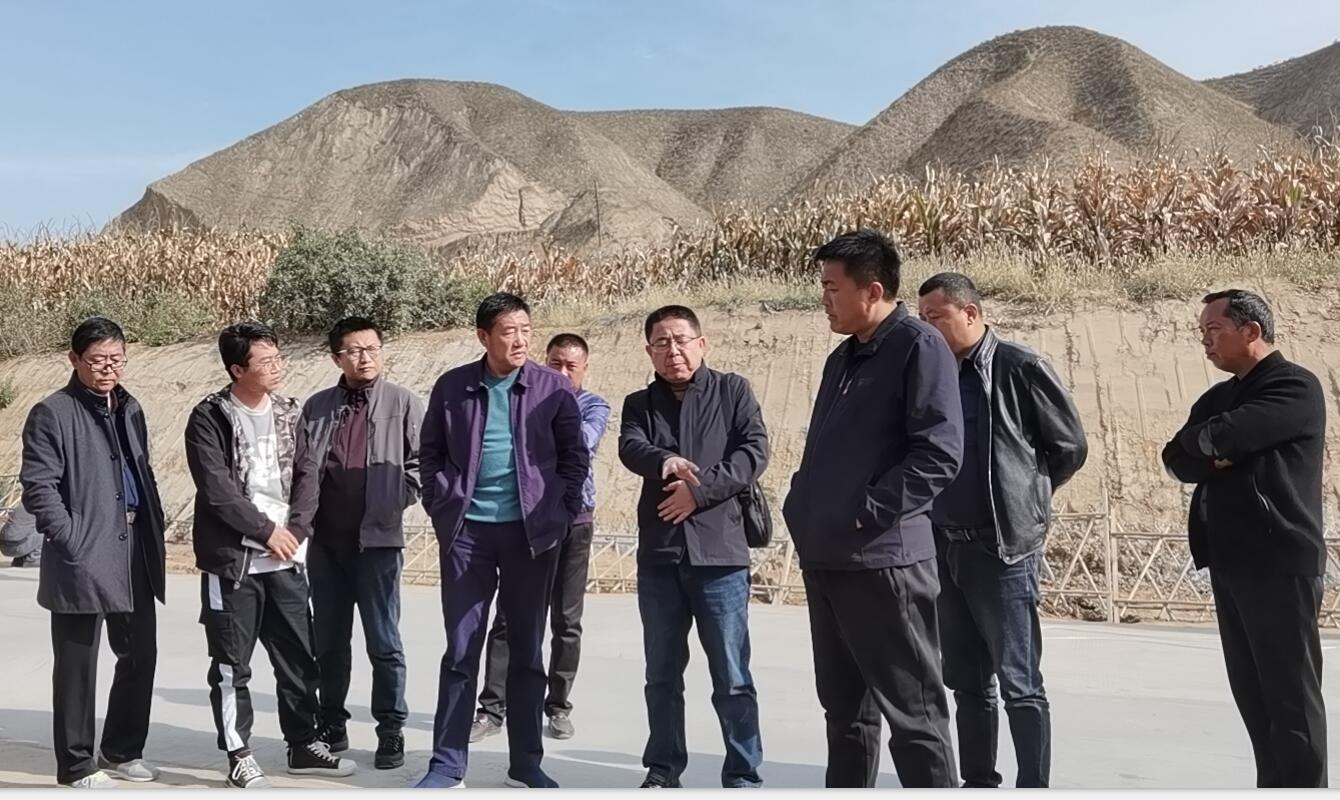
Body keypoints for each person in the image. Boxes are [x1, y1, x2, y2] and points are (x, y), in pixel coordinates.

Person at [782, 229, 962, 788]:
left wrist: (868, 510)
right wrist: (802, 504)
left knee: (915, 715)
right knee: (845, 713)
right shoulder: (843, 358)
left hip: (884, 562)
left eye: (832, 287)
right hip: (830, 559)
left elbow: (939, 452)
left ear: (873, 290)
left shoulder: (917, 346)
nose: (824, 298)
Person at [917, 272, 1088, 788]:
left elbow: (1069, 448)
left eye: (935, 317)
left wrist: (1026, 497)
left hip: (1002, 549)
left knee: (1020, 682)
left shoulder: (1019, 367)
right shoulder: (932, 374)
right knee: (967, 680)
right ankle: (978, 782)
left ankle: (1033, 786)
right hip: (946, 547)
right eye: (921, 319)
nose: (927, 328)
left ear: (970, 313)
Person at [417, 293, 589, 789]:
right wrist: (441, 502)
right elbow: (429, 452)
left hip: (530, 536)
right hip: (467, 535)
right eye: (508, 331)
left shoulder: (552, 387)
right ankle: (447, 766)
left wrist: (557, 513)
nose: (519, 340)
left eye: (525, 330)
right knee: (461, 650)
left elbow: (574, 457)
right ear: (484, 336)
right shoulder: (452, 387)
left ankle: (526, 764)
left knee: (527, 652)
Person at [1161, 289, 1328, 788]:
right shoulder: (1217, 398)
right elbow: (1177, 458)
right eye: (1202, 332)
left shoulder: (1294, 387)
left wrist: (1214, 444)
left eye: (1213, 330)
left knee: (1290, 701)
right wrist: (1214, 448)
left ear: (1250, 331)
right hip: (1230, 562)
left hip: (1279, 560)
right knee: (1254, 700)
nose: (1205, 341)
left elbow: (1223, 437)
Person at [185, 321, 355, 788]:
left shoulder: (289, 411)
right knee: (231, 665)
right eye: (266, 361)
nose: (277, 367)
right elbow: (216, 489)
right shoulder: (210, 416)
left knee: (299, 659)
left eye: (279, 358)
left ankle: (303, 744)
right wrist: (265, 532)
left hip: (287, 558)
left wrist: (295, 531)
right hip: (234, 562)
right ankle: (239, 753)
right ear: (237, 369)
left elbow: (308, 475)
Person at [618, 305, 769, 789]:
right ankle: (663, 770)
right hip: (661, 558)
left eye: (681, 340)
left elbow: (753, 452)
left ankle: (743, 774)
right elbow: (630, 446)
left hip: (720, 555)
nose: (673, 351)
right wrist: (665, 461)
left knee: (732, 675)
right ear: (649, 351)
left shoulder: (733, 391)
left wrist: (698, 493)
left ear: (701, 343)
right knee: (661, 674)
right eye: (661, 343)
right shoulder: (639, 404)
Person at [20, 316, 167, 788]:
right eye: (98, 360)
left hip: (134, 547)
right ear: (74, 359)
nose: (108, 368)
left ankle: (122, 750)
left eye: (116, 359)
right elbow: (38, 487)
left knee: (140, 653)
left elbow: (142, 471)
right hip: (83, 552)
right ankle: (77, 765)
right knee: (77, 665)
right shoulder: (52, 412)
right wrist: (71, 537)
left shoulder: (130, 407)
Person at [289, 316, 424, 770]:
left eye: (371, 348)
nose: (364, 357)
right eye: (354, 350)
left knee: (384, 642)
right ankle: (332, 722)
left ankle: (390, 729)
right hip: (326, 545)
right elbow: (301, 467)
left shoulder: (403, 402)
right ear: (337, 358)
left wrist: (396, 497)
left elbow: (422, 462)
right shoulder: (318, 406)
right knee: (329, 642)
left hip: (378, 544)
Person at [473, 333, 611, 742]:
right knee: (508, 616)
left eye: (571, 366)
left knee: (566, 620)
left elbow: (582, 442)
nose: (563, 372)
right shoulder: (523, 399)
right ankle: (491, 708)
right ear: (543, 362)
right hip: (527, 520)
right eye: (555, 364)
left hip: (574, 520)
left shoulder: (593, 405)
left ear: (585, 368)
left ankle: (558, 706)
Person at [2, 497, 42, 567]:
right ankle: (32, 560)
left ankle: (18, 561)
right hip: (15, 546)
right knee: (46, 530)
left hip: (4, 546)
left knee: (27, 530)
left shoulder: (24, 505)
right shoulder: (40, 507)